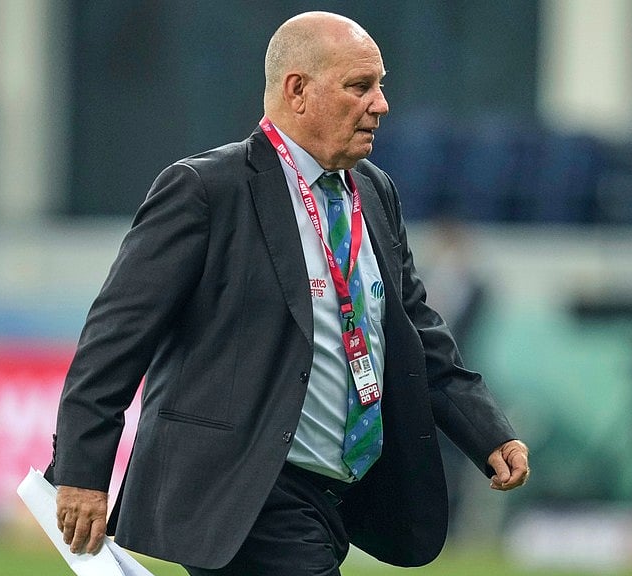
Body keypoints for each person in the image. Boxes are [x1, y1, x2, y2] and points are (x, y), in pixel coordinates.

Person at [47, 11, 529, 576]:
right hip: (243, 491)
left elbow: (415, 327)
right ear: (297, 90)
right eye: (360, 86)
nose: (381, 104)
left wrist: (483, 429)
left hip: (339, 495)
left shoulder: (374, 192)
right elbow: (114, 339)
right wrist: (82, 470)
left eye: (380, 85)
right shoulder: (206, 190)